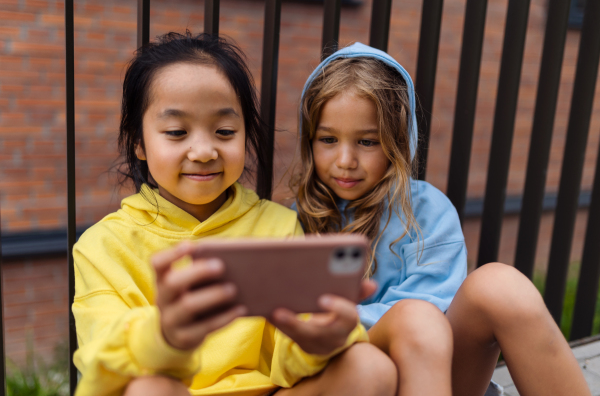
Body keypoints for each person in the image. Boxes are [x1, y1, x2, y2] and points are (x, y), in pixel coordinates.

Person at [71, 33, 398, 396]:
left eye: (224, 131)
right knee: (150, 388)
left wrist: (323, 338)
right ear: (138, 142)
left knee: (370, 367)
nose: (204, 150)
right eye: (177, 132)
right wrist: (163, 336)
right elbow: (100, 366)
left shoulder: (278, 225)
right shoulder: (103, 245)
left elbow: (289, 353)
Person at [293, 42, 591, 396]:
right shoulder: (296, 221)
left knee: (500, 286)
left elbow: (428, 312)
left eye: (367, 142)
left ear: (398, 142)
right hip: (348, 378)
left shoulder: (425, 213)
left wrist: (347, 323)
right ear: (309, 141)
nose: (345, 159)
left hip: (430, 375)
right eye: (328, 139)